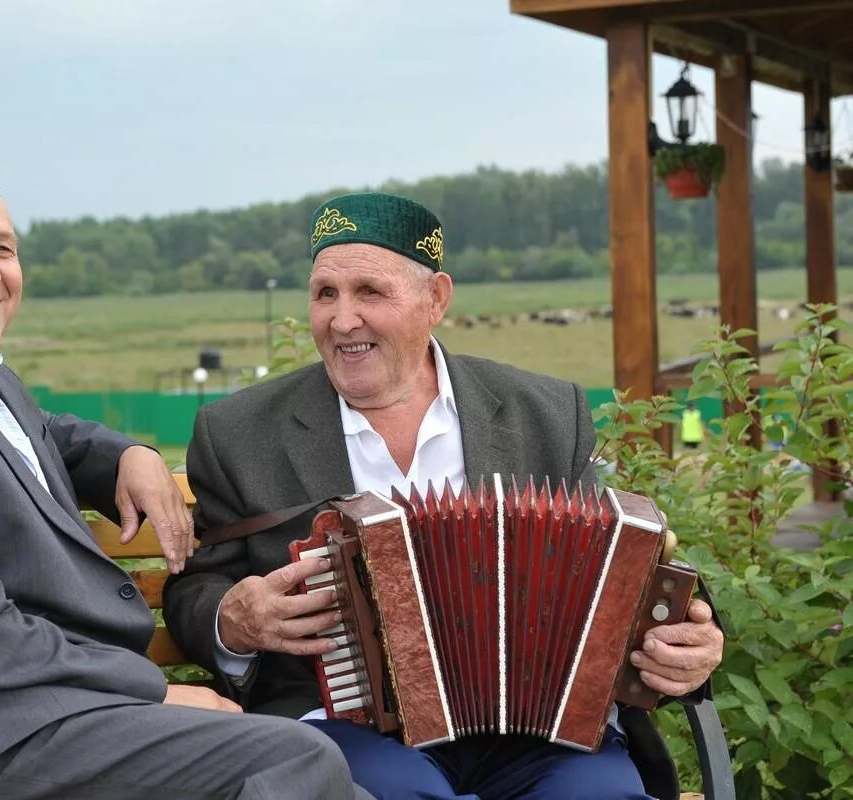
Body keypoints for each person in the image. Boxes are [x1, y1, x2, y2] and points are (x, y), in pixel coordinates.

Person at [0, 139, 367, 800]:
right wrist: (154, 690)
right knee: (290, 761)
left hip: (42, 722)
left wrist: (127, 455)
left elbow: (41, 438)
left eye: (2, 249)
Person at [163, 192, 725, 800]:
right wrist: (233, 619)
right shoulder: (238, 432)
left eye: (369, 293)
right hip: (342, 727)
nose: (341, 319)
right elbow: (197, 587)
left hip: (541, 728)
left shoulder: (545, 412)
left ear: (436, 300)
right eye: (325, 293)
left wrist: (691, 639)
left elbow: (620, 567)